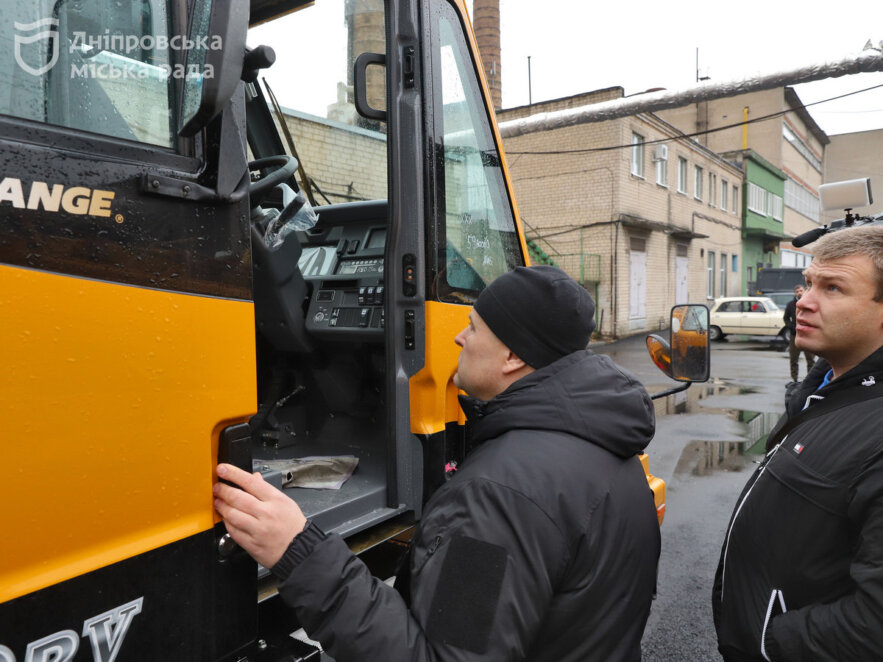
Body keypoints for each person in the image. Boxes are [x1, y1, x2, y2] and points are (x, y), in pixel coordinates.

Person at [214, 265, 661, 662]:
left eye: (474, 326)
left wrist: (299, 551)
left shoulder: (500, 496)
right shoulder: (607, 448)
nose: (458, 336)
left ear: (514, 356)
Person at [712, 225, 883, 661]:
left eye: (832, 287)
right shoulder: (820, 390)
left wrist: (768, 642)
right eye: (808, 284)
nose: (803, 301)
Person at [783, 284, 815, 382]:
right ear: (794, 293)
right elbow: (785, 318)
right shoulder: (790, 305)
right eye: (797, 291)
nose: (799, 293)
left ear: (805, 291)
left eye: (801, 291)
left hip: (808, 336)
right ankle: (794, 380)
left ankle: (810, 381)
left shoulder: (810, 303)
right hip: (794, 335)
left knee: (810, 360)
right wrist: (791, 327)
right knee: (793, 359)